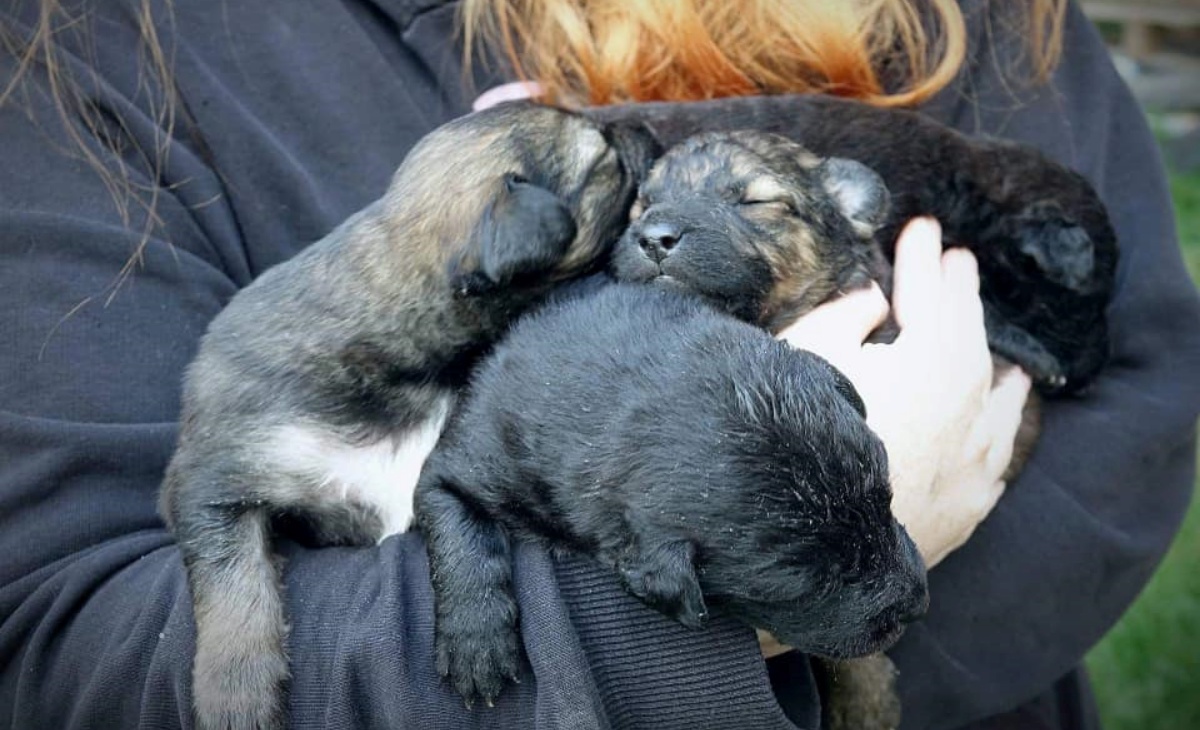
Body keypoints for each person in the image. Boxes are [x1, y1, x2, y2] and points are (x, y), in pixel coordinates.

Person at [0, 1, 1195, 729]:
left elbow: (1138, 388)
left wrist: (888, 586)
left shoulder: (969, 18)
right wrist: (725, 616)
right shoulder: (102, 58)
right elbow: (71, 647)